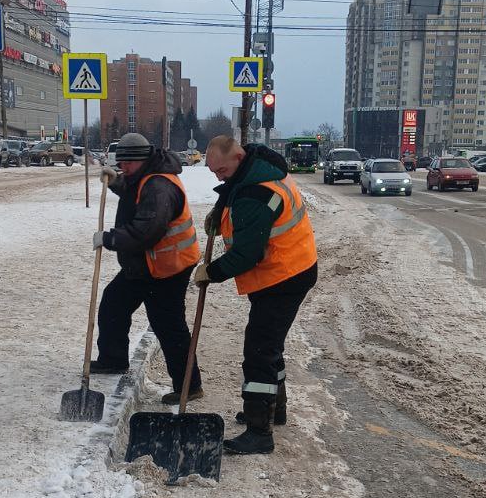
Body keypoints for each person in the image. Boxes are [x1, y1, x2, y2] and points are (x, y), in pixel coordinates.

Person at [197, 136, 318, 455]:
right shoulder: (257, 169)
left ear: (238, 157)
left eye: (221, 170)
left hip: (284, 277)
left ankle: (259, 430)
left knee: (259, 351)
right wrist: (221, 210)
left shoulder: (257, 192)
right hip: (289, 268)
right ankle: (275, 409)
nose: (218, 176)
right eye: (213, 172)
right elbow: (235, 191)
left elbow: (247, 254)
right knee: (269, 343)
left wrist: (211, 272)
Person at [91, 133, 203, 404]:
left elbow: (145, 232)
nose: (123, 168)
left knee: (168, 325)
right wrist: (117, 182)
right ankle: (113, 359)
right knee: (114, 303)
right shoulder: (146, 176)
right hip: (145, 265)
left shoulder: (159, 187)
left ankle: (189, 386)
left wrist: (110, 239)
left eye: (127, 164)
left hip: (167, 268)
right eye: (120, 163)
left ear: (142, 160)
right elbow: (135, 192)